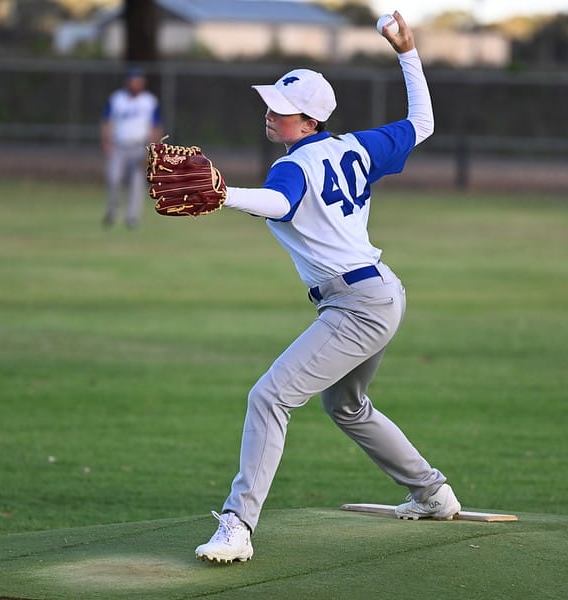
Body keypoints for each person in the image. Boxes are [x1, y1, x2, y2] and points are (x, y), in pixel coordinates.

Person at [195, 11, 461, 564]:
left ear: (308, 121)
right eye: (271, 105)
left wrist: (225, 195)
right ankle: (433, 494)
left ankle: (237, 525)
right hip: (381, 293)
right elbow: (424, 122)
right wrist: (407, 52)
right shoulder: (358, 146)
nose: (271, 115)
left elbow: (279, 203)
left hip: (356, 306)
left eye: (283, 111)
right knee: (347, 406)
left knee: (270, 396)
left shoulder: (293, 168)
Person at [101, 67, 162, 228]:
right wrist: (106, 141)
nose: (136, 84)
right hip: (119, 146)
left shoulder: (149, 101)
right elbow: (107, 122)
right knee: (113, 179)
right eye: (133, 81)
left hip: (139, 146)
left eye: (139, 81)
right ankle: (112, 213)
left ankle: (132, 217)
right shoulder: (117, 99)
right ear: (128, 82)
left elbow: (155, 127)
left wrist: (153, 149)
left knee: (137, 183)